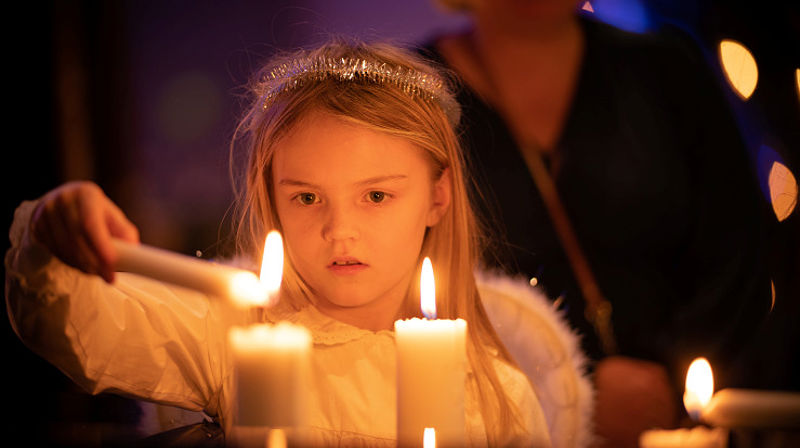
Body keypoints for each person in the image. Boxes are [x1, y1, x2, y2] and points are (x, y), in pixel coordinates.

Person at [5, 40, 559, 446]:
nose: (340, 230)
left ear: (438, 198)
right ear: (272, 198)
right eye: (308, 198)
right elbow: (84, 330)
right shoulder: (239, 339)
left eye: (376, 197)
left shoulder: (498, 396)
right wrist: (53, 237)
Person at [422, 0, 772, 446]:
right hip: (504, 423)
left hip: (680, 418)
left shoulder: (664, 68)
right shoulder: (414, 92)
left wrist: (670, 380)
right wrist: (561, 391)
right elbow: (409, 292)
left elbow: (737, 256)